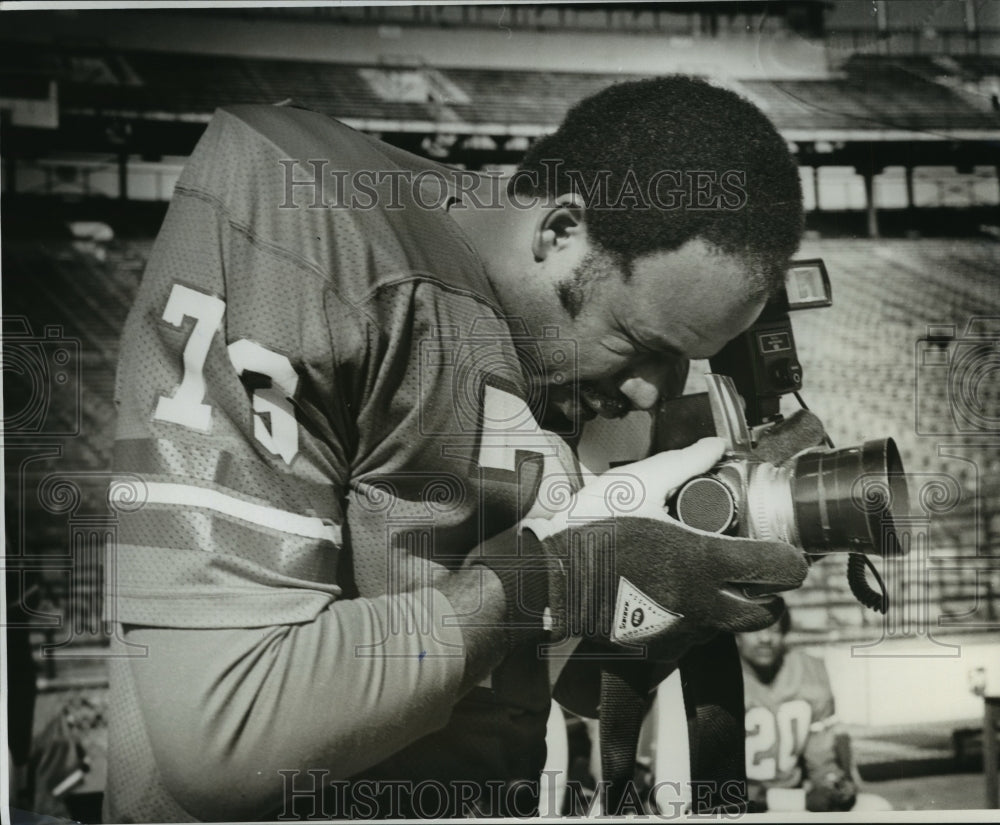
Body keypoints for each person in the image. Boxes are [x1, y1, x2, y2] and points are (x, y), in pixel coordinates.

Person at [105, 75, 815, 821]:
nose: (654, 393)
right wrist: (548, 579)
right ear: (559, 232)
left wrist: (683, 573)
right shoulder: (307, 234)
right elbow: (225, 733)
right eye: (640, 345)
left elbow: (568, 678)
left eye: (683, 361)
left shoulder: (540, 332)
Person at [738, 601, 874, 813]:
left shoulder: (809, 671)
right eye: (754, 629)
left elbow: (821, 760)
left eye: (774, 629)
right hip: (737, 804)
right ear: (736, 635)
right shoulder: (717, 678)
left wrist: (833, 785)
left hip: (794, 795)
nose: (765, 638)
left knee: (875, 808)